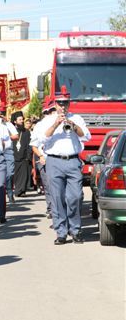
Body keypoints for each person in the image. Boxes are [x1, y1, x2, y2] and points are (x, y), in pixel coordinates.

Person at [37, 86, 91, 245]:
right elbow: (41, 139)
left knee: (75, 197)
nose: (63, 106)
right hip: (54, 161)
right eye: (60, 103)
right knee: (57, 197)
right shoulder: (47, 120)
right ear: (55, 104)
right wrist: (55, 124)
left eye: (65, 103)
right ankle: (61, 232)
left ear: (69, 103)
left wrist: (73, 125)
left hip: (73, 161)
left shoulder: (77, 118)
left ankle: (75, 229)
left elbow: (86, 136)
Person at [12, 112, 31, 197]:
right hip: (13, 156)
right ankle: (16, 190)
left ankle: (21, 191)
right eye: (20, 120)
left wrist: (28, 156)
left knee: (24, 175)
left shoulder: (26, 132)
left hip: (24, 157)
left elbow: (29, 144)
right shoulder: (11, 131)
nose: (22, 121)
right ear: (15, 121)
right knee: (15, 175)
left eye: (22, 119)